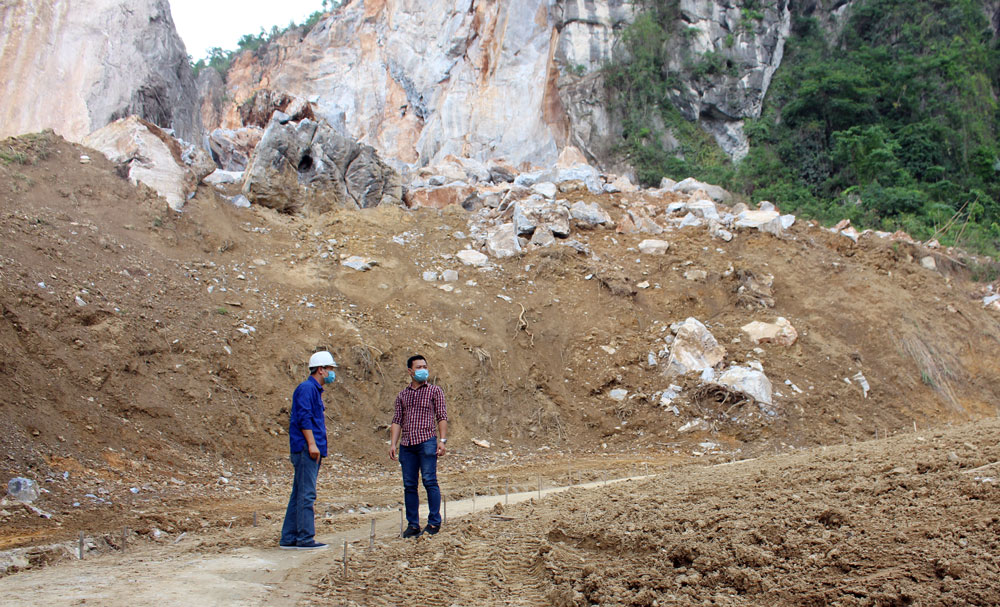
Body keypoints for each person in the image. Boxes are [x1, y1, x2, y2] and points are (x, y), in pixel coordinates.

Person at [279, 350, 337, 550]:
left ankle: (289, 537)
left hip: (308, 447)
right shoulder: (307, 388)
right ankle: (304, 538)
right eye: (330, 369)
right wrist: (312, 444)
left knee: (299, 493)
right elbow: (304, 418)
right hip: (306, 448)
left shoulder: (313, 390)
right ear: (321, 370)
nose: (331, 373)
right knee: (306, 494)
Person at [389, 354, 448, 538]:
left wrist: (442, 440)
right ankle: (413, 524)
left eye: (425, 366)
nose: (423, 370)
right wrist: (393, 443)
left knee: (430, 481)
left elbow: (442, 416)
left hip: (427, 441)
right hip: (407, 445)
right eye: (419, 367)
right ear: (410, 371)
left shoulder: (434, 391)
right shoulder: (402, 395)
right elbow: (397, 420)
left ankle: (433, 522)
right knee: (409, 486)